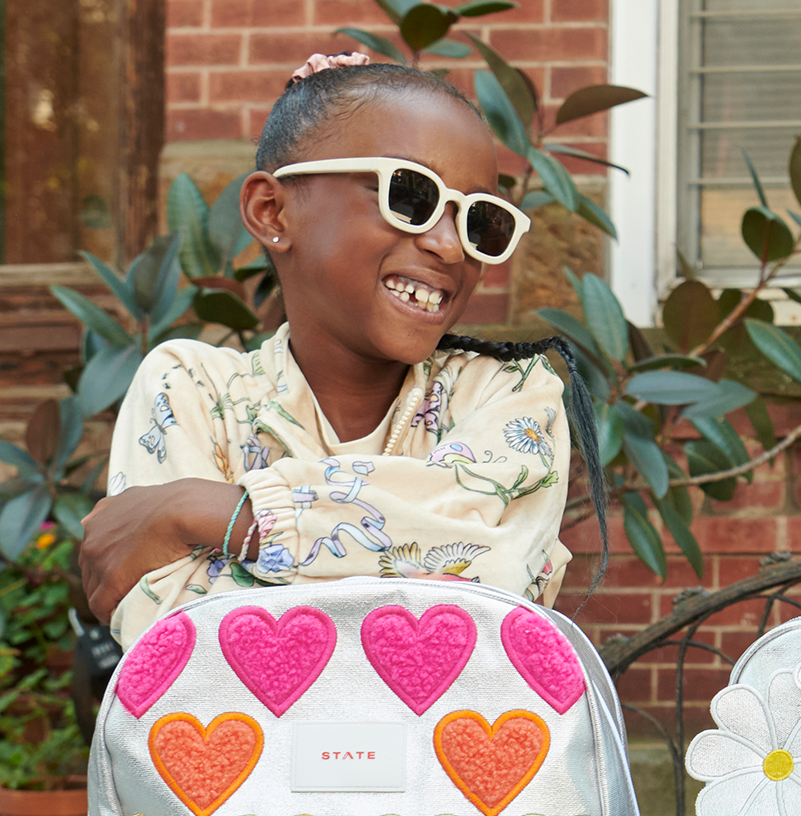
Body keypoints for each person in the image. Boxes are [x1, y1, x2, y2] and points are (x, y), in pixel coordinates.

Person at [83, 52, 602, 647]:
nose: (450, 246)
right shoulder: (192, 387)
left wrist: (212, 513)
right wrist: (417, 544)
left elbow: (500, 582)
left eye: (479, 221)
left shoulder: (511, 394)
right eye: (410, 196)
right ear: (272, 211)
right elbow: (170, 635)